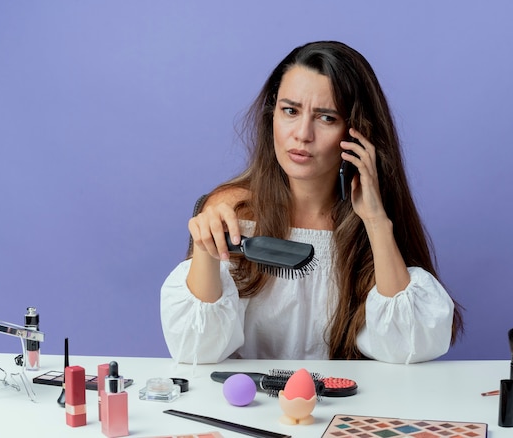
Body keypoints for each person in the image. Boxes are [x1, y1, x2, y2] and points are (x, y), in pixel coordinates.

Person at [161, 41, 464, 364]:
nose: (302, 134)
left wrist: (376, 222)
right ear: (272, 116)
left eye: (326, 118)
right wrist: (206, 253)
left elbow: (411, 347)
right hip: (249, 406)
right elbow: (195, 350)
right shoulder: (233, 212)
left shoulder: (368, 223)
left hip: (347, 405)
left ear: (357, 133)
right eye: (290, 111)